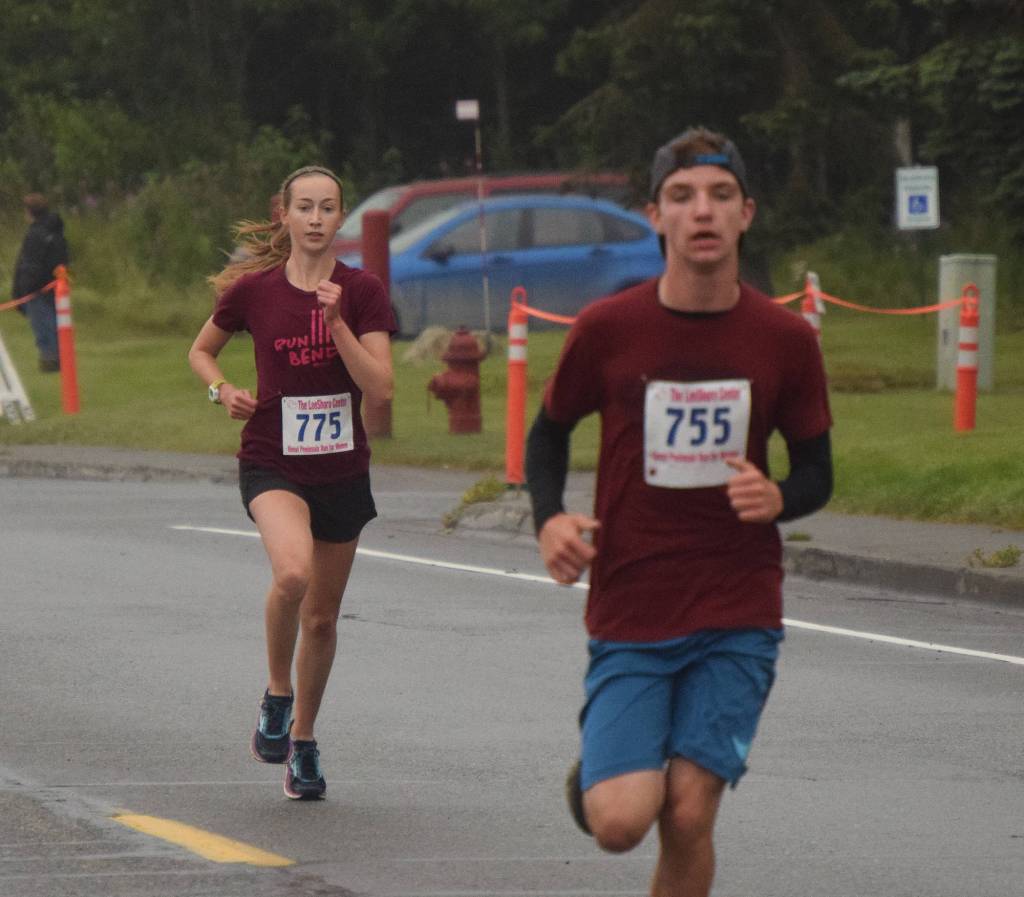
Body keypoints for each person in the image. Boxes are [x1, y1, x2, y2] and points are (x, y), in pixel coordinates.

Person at [526, 127, 832, 895]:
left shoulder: (785, 338)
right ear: (655, 215)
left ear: (746, 214)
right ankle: (609, 766)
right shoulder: (609, 329)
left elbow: (818, 471)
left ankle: (638, 767)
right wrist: (550, 519)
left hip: (739, 605)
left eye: (720, 196)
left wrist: (780, 498)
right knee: (623, 822)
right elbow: (549, 432)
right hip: (633, 603)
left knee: (690, 815)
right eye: (683, 196)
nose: (703, 211)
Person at [188, 165, 395, 800]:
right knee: (293, 576)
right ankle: (278, 692)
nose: (314, 218)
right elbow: (201, 351)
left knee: (324, 620)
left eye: (327, 208)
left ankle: (302, 741)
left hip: (341, 468)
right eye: (303, 207)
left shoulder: (361, 292)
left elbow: (381, 388)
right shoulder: (254, 291)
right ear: (284, 215)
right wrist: (222, 391)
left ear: (340, 218)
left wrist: (335, 325)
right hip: (272, 457)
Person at [11, 193, 68, 372]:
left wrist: (24, 288)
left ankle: (51, 359)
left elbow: (30, 263)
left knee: (43, 324)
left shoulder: (36, 233)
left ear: (30, 212)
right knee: (52, 322)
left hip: (37, 288)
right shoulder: (55, 231)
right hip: (53, 284)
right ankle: (57, 356)